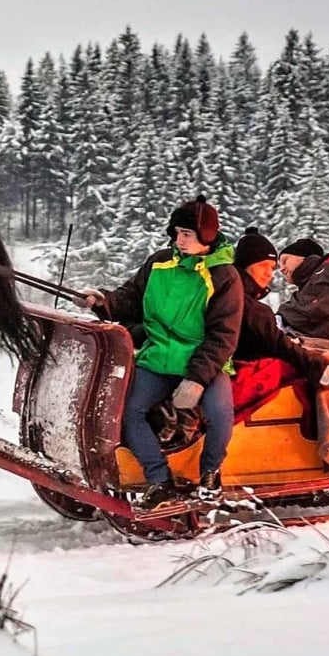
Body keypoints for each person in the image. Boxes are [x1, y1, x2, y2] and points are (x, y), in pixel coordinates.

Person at [74, 197, 242, 508]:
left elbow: (223, 337)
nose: (179, 240)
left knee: (220, 415)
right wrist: (102, 300)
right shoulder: (159, 262)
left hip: (204, 362)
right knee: (130, 412)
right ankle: (159, 479)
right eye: (177, 232)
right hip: (159, 355)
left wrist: (195, 381)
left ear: (206, 235)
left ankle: (209, 473)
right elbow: (130, 297)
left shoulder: (225, 277)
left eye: (187, 234)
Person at [231, 228, 329, 397]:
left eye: (283, 261)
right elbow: (280, 343)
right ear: (247, 263)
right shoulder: (242, 301)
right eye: (265, 266)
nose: (276, 272)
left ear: (303, 255)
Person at [277, 237, 329, 339]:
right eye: (279, 266)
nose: (281, 269)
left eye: (284, 261)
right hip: (314, 343)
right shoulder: (298, 296)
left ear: (304, 255)